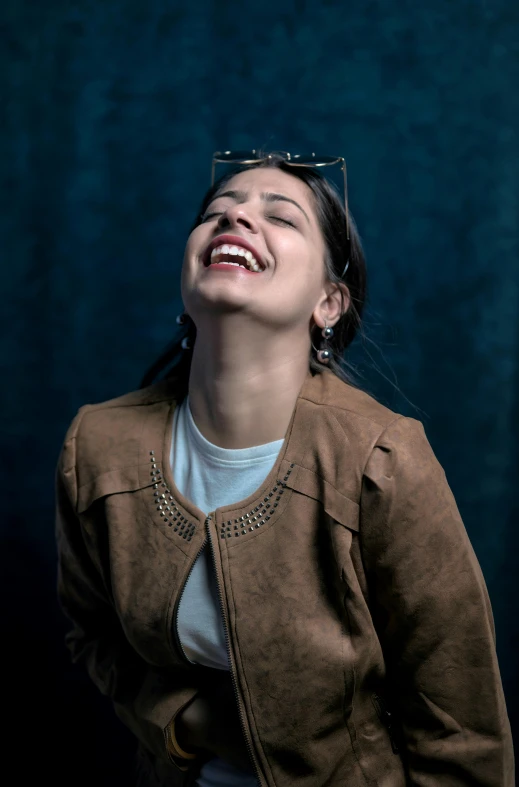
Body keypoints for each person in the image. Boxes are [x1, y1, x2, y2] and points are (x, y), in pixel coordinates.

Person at [55, 151, 515, 787]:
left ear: (329, 302)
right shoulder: (97, 447)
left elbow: (460, 732)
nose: (235, 217)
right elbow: (93, 635)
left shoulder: (381, 458)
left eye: (281, 218)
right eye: (216, 212)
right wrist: (187, 724)